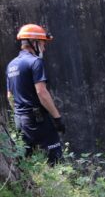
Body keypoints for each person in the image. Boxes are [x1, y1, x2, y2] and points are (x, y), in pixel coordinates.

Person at [6, 24, 65, 165]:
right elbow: (41, 92)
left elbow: (10, 96)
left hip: (20, 121)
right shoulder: (35, 62)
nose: (44, 48)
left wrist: (20, 114)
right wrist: (57, 118)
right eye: (43, 44)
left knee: (27, 161)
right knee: (54, 158)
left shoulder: (11, 65)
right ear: (35, 42)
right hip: (38, 120)